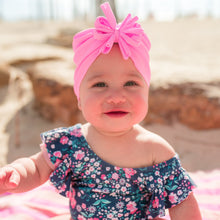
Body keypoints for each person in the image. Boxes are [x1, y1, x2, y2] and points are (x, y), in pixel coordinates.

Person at [0, 2, 201, 220]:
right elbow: (37, 167)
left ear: (147, 92)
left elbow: (182, 201)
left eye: (131, 83)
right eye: (100, 85)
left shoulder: (156, 150)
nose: (116, 96)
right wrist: (17, 174)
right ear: (79, 99)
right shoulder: (70, 143)